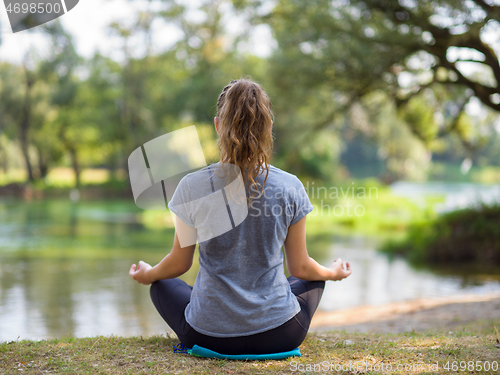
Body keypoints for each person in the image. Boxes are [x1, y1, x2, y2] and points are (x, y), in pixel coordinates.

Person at [129, 78, 352, 354]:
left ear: (218, 126)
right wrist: (332, 272)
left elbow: (178, 263)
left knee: (160, 284)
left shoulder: (192, 186)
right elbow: (301, 269)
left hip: (206, 335)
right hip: (281, 334)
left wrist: (148, 273)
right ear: (267, 128)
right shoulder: (289, 186)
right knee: (314, 278)